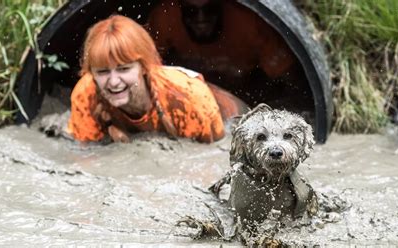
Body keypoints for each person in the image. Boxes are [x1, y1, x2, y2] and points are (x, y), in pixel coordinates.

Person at [65, 15, 248, 144]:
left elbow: (212, 158)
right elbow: (86, 159)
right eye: (103, 72)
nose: (113, 82)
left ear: (144, 67)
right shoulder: (85, 94)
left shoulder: (187, 97)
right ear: (92, 73)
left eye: (124, 69)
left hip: (229, 113)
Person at [146, 0, 298, 106]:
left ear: (221, 5)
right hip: (187, 90)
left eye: (209, 10)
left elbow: (291, 79)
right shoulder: (165, 17)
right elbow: (143, 63)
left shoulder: (249, 24)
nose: (201, 19)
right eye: (191, 11)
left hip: (247, 87)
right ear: (180, 8)